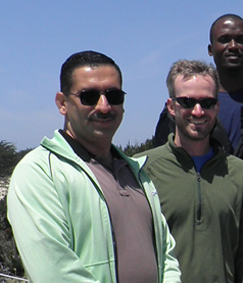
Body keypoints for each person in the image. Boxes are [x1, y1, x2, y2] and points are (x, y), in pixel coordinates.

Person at [7, 50, 181, 283]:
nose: (104, 106)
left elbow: (165, 253)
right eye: (89, 96)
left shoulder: (137, 173)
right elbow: (56, 273)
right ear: (62, 103)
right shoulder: (39, 173)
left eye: (114, 95)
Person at [153, 14, 243, 282]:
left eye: (241, 40)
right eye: (224, 40)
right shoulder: (182, 107)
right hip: (192, 241)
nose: (233, 45)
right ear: (210, 49)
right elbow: (163, 173)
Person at [136, 60, 243, 283]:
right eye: (187, 102)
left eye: (206, 103)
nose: (198, 111)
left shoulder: (238, 172)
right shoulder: (141, 169)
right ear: (171, 106)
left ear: (216, 107)